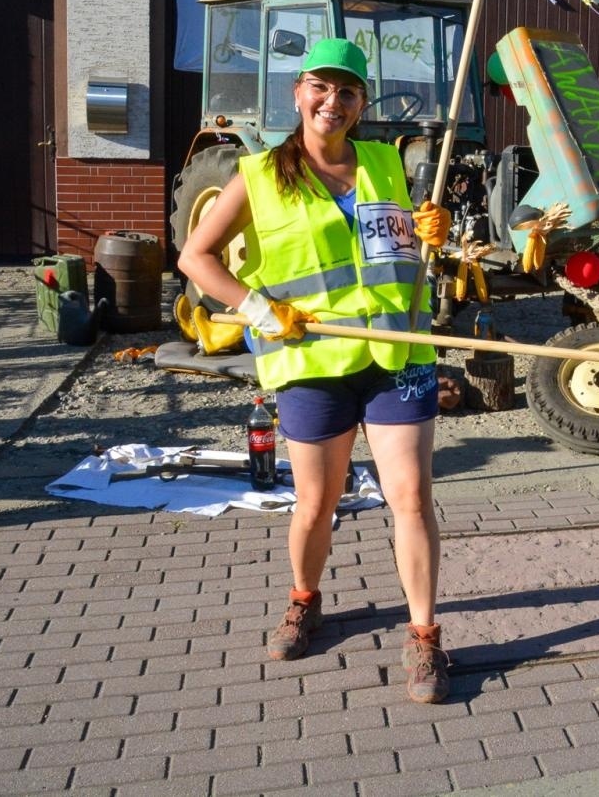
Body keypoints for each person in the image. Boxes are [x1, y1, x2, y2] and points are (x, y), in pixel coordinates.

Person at [177, 37, 454, 703]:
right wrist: (256, 308)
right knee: (316, 505)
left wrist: (431, 235)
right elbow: (195, 257)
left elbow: (395, 250)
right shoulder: (259, 174)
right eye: (321, 87)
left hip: (395, 353)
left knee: (411, 498)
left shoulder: (386, 162)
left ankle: (424, 635)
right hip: (312, 362)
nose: (334, 100)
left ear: (362, 102)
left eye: (348, 91)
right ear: (299, 93)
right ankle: (304, 599)